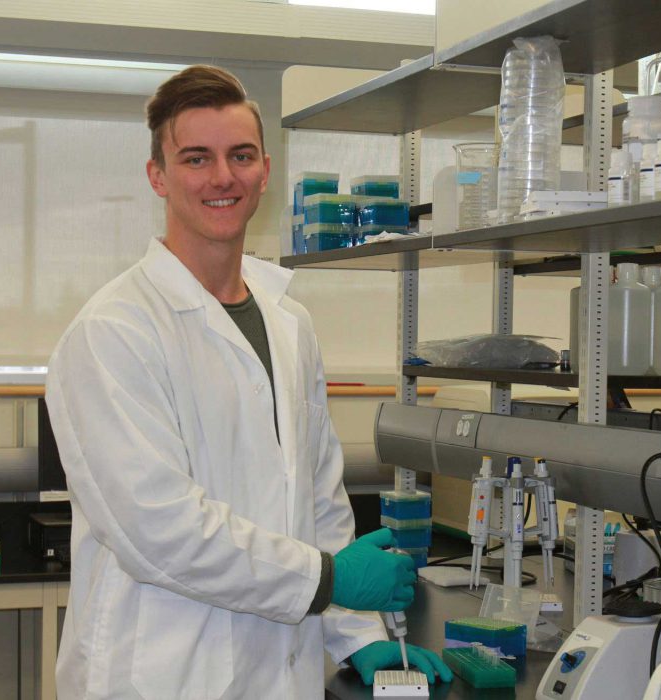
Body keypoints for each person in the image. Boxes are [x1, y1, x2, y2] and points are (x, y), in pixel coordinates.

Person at [46, 64, 452, 699]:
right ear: (158, 175)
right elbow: (159, 531)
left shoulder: (290, 322)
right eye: (195, 158)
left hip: (278, 673)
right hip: (163, 676)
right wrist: (326, 581)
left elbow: (319, 500)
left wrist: (360, 635)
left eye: (239, 156)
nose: (222, 177)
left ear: (264, 169)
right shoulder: (113, 331)